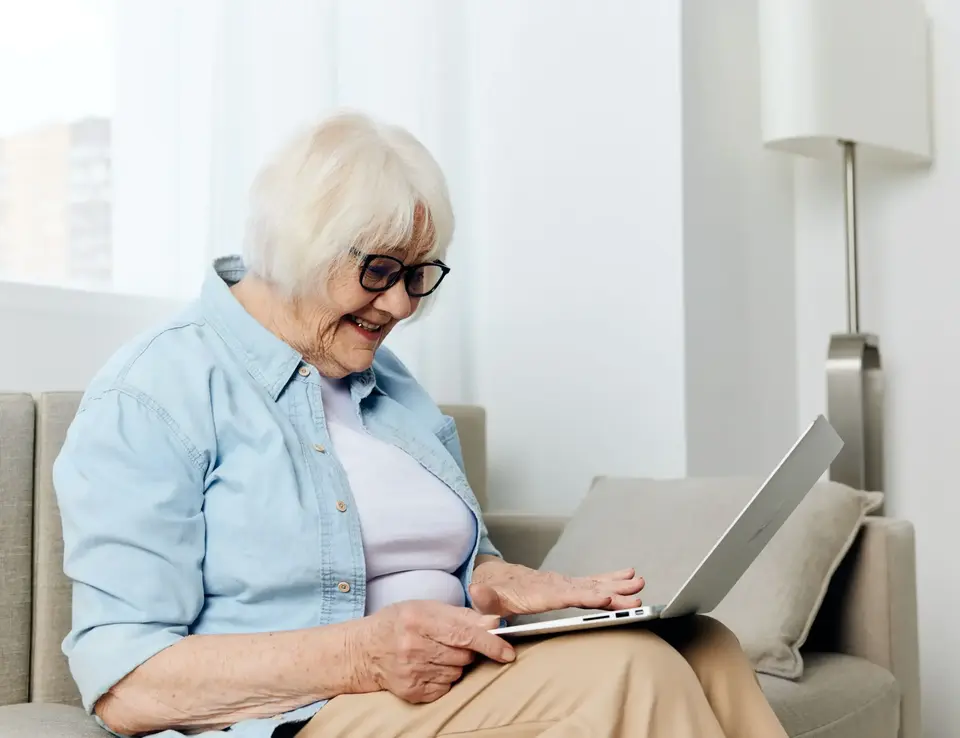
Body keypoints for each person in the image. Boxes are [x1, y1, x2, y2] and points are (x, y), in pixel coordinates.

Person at [53, 112, 788, 738]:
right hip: (310, 713)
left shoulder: (390, 384)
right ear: (298, 247)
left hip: (444, 677)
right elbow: (126, 682)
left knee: (704, 644)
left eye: (420, 275)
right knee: (634, 670)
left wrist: (498, 583)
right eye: (380, 270)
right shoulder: (155, 392)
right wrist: (360, 656)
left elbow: (446, 558)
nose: (402, 305)